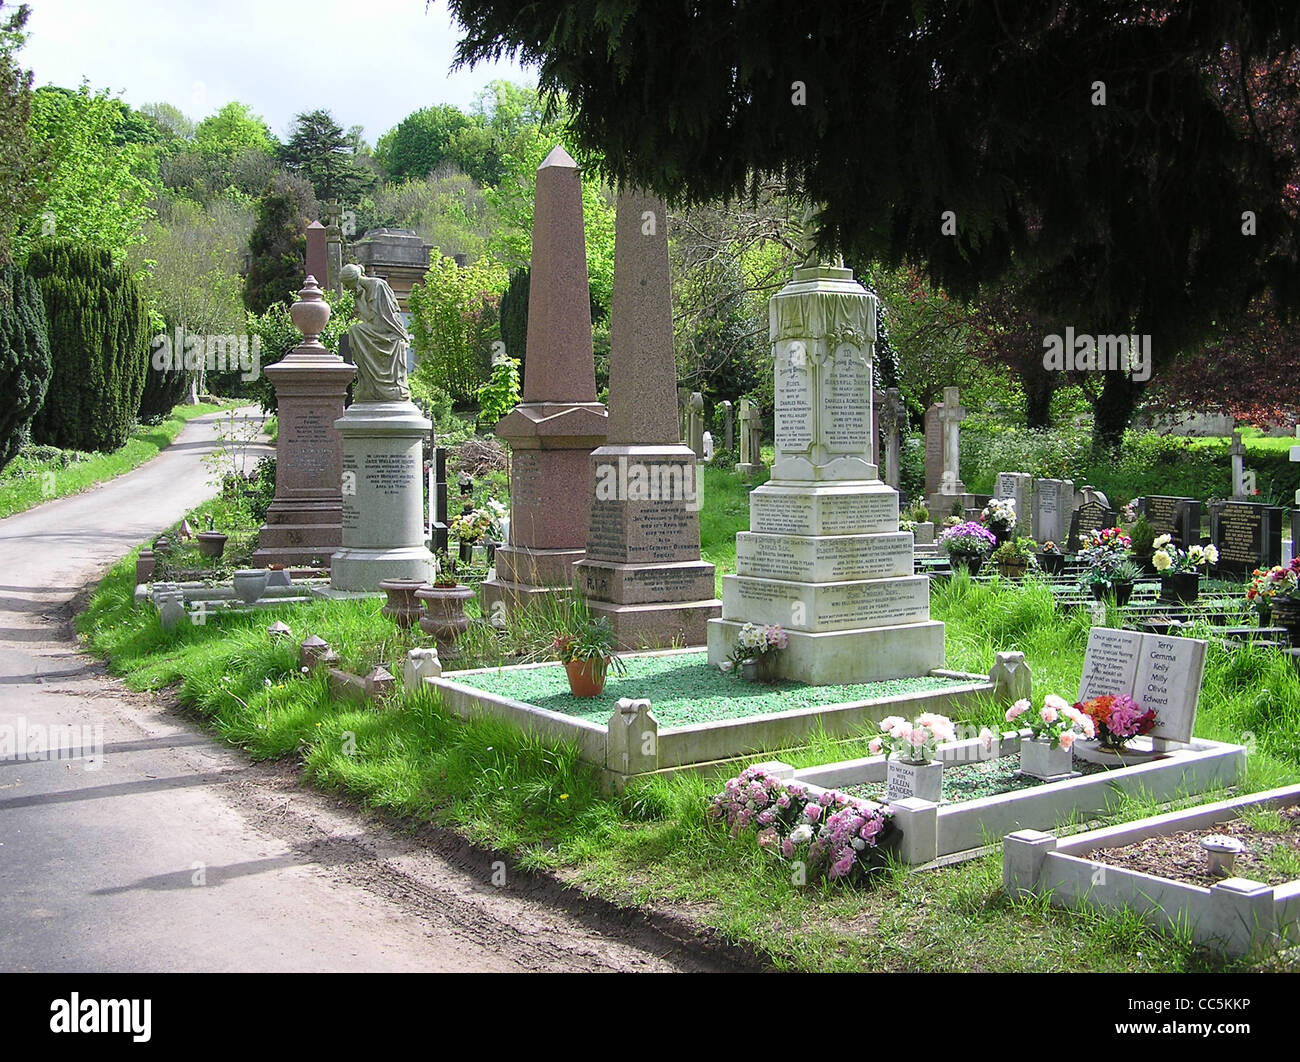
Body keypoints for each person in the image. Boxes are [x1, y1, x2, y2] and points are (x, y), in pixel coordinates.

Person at [340, 263, 410, 402]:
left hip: (386, 329)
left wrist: (360, 303)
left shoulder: (377, 286)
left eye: (347, 285)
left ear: (352, 280)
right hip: (377, 329)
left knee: (355, 330)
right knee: (355, 330)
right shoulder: (363, 292)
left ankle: (380, 384)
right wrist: (359, 300)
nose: (347, 289)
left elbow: (378, 319)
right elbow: (368, 319)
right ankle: (369, 384)